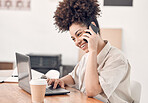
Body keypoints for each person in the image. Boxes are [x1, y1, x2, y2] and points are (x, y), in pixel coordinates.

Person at [47, 0, 133, 102]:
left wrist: (93, 51)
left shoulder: (117, 59)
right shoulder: (86, 57)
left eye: (78, 34)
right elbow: (74, 77)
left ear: (93, 28)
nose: (76, 42)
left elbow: (92, 90)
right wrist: (60, 81)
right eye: (73, 39)